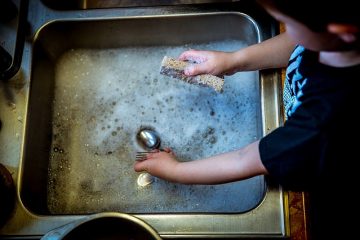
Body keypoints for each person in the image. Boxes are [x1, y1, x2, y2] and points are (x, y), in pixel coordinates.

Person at [134, 0, 360, 238]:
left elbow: (245, 160)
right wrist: (234, 60)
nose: (285, 30)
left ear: (342, 31)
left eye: (288, 24)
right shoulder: (335, 42)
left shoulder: (324, 124)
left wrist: (176, 171)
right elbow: (298, 44)